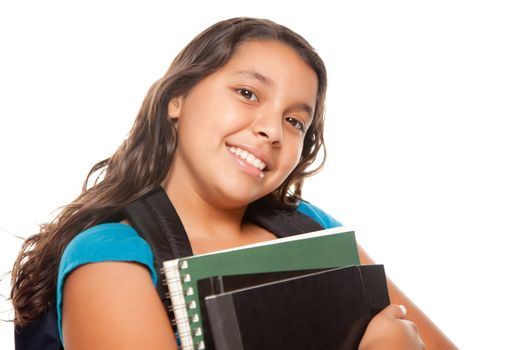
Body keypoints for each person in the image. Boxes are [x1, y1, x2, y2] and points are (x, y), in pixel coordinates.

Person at [11, 17, 456, 349]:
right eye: (247, 93)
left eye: (295, 120)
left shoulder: (312, 228)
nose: (272, 130)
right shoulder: (109, 257)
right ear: (176, 98)